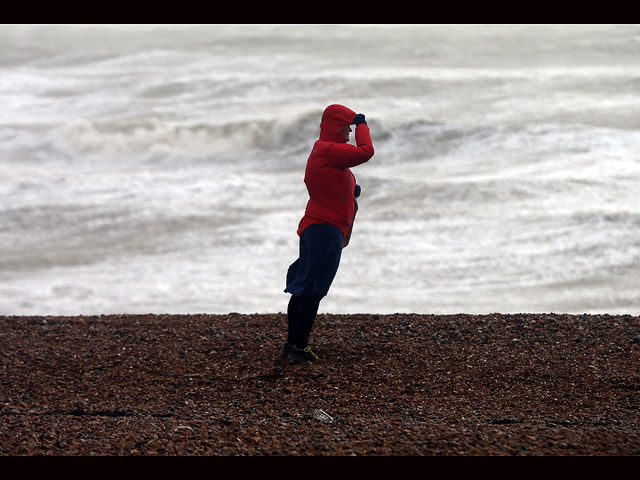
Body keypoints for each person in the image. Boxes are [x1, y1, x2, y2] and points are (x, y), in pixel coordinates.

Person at [283, 104, 374, 362]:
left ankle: (293, 345)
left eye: (352, 127)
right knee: (312, 289)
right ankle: (299, 347)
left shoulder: (325, 152)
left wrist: (350, 192)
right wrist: (363, 124)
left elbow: (328, 182)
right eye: (347, 126)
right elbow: (366, 151)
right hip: (324, 229)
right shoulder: (328, 150)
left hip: (317, 227)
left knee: (305, 285)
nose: (349, 131)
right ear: (336, 127)